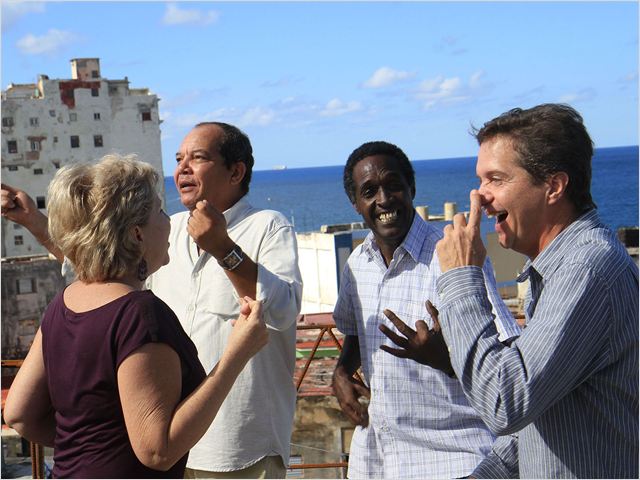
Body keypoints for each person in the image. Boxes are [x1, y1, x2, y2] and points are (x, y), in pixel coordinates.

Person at [2, 122, 303, 479]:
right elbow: (102, 268)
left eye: (198, 157)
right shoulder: (165, 232)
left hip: (236, 447)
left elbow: (283, 310)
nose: (182, 168)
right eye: (178, 159)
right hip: (161, 441)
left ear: (236, 172)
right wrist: (36, 223)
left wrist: (225, 250)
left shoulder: (267, 226)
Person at [391, 104, 638, 478]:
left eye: (496, 179)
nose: (480, 197)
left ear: (554, 186)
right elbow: (534, 425)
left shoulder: (586, 270)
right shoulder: (558, 269)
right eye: (481, 180)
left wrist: (461, 276)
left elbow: (504, 401)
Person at [331, 141, 521, 479]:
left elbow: (508, 365)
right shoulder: (358, 263)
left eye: (393, 185)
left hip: (452, 460)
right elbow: (357, 332)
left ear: (411, 189)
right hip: (376, 461)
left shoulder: (451, 258)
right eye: (369, 191)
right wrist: (342, 372)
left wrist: (445, 359)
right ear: (356, 203)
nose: (384, 199)